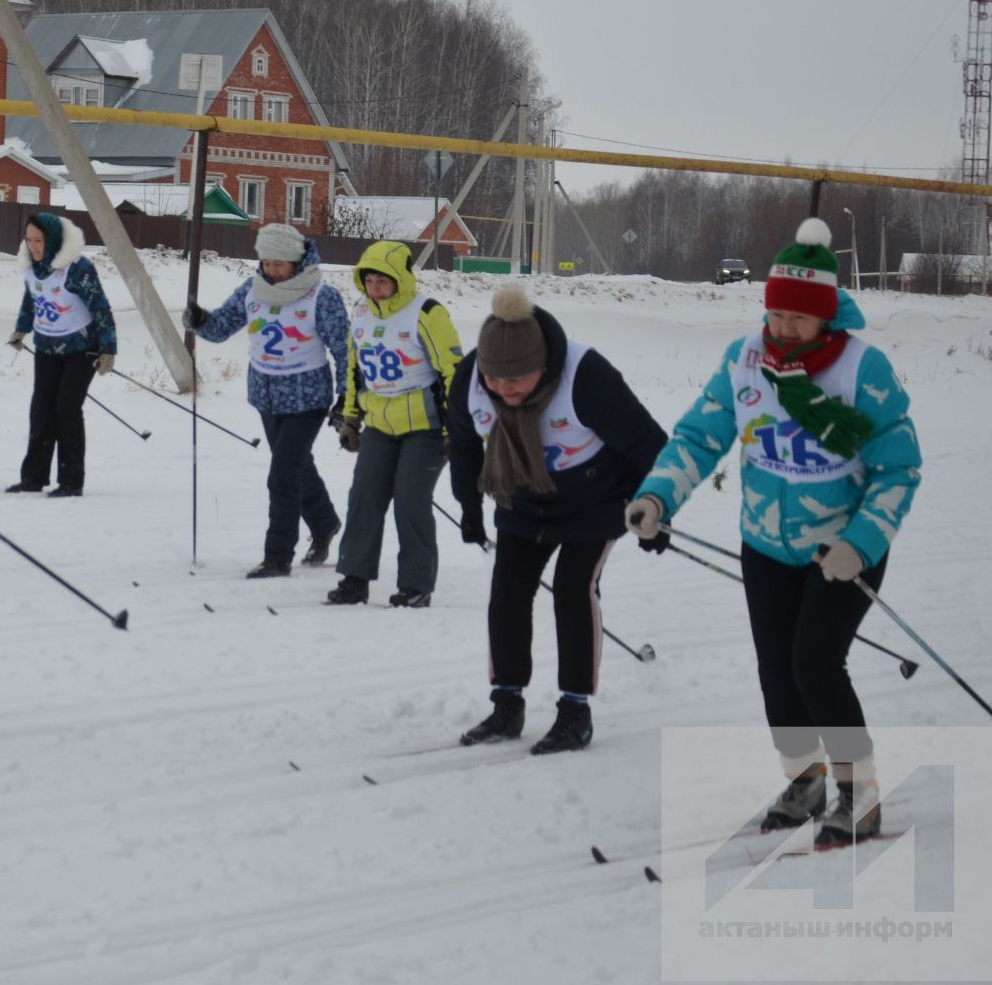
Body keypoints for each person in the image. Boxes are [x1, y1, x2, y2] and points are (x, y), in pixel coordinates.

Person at [626, 219, 921, 847]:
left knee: (815, 664)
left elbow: (899, 469)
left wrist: (860, 544)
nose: (784, 329)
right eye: (776, 314)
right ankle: (804, 780)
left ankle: (859, 793)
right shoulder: (746, 361)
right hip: (764, 546)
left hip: (840, 551)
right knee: (777, 673)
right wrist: (657, 495)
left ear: (826, 318)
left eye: (799, 319)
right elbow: (699, 436)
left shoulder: (864, 371)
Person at [448, 284, 664, 755]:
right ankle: (507, 703)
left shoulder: (585, 376)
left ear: (544, 368)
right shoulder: (470, 378)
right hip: (521, 498)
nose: (504, 393)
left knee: (573, 590)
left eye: (517, 383)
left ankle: (574, 711)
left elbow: (650, 444)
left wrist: (656, 512)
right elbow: (463, 446)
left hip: (594, 500)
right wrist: (468, 505)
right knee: (507, 593)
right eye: (495, 383)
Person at [183, 223, 350, 579]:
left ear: (297, 262)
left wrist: (346, 399)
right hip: (266, 395)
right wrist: (200, 321)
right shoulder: (253, 289)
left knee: (283, 475)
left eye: (280, 264)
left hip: (308, 398)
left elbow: (344, 350)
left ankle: (277, 556)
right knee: (297, 465)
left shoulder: (321, 296)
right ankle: (325, 523)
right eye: (267, 262)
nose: (272, 271)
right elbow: (221, 327)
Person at [327, 240, 462, 608]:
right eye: (369, 281)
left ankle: (416, 585)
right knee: (364, 498)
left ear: (400, 279)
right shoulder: (361, 312)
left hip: (426, 427)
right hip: (380, 426)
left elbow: (454, 372)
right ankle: (354, 579)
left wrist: (456, 429)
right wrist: (350, 419)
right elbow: (355, 369)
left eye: (382, 281)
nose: (375, 288)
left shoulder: (427, 313)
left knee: (410, 501)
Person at [6, 213, 118, 498]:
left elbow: (101, 308)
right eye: (29, 240)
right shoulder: (31, 268)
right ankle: (33, 477)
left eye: (39, 240)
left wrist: (108, 349)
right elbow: (31, 299)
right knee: (41, 410)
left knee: (66, 410)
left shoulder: (77, 268)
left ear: (53, 240)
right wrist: (21, 329)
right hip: (46, 348)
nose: (33, 246)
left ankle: (71, 481)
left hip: (81, 350)